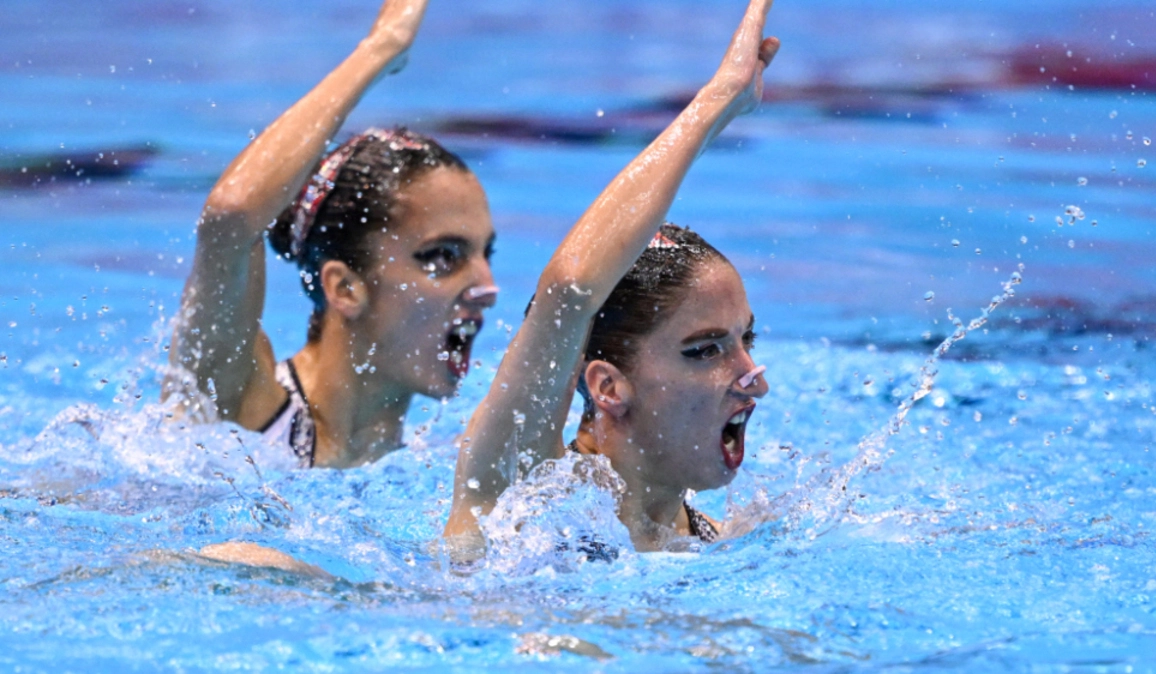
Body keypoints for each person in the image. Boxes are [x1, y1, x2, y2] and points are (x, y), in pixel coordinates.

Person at [445, 0, 779, 554]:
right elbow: (570, 290)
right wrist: (717, 101)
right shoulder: (525, 503)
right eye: (705, 351)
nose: (754, 381)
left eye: (746, 340)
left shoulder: (718, 542)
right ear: (608, 387)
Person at [164, 0, 498, 469]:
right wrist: (381, 48)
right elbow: (230, 217)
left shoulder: (446, 466)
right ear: (345, 288)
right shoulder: (243, 411)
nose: (488, 288)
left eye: (486, 254)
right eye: (443, 256)